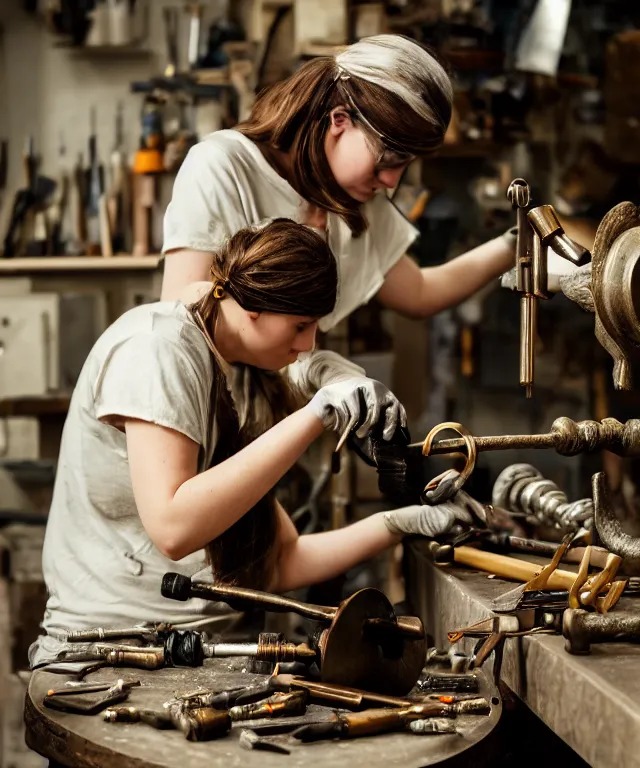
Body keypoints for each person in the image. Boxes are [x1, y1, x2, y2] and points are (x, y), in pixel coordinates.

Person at [30, 219, 469, 669]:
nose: (307, 345)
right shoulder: (158, 352)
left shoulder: (222, 366)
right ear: (253, 308)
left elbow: (281, 563)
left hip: (188, 653)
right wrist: (315, 414)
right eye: (300, 326)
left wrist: (403, 523)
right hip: (104, 658)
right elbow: (173, 529)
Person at [161, 34, 516, 392]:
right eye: (387, 159)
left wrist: (513, 246)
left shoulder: (349, 197)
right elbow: (185, 320)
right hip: (211, 413)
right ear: (340, 120)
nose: (391, 181)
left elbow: (418, 293)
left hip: (287, 421)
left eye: (404, 165)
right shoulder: (222, 167)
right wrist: (311, 369)